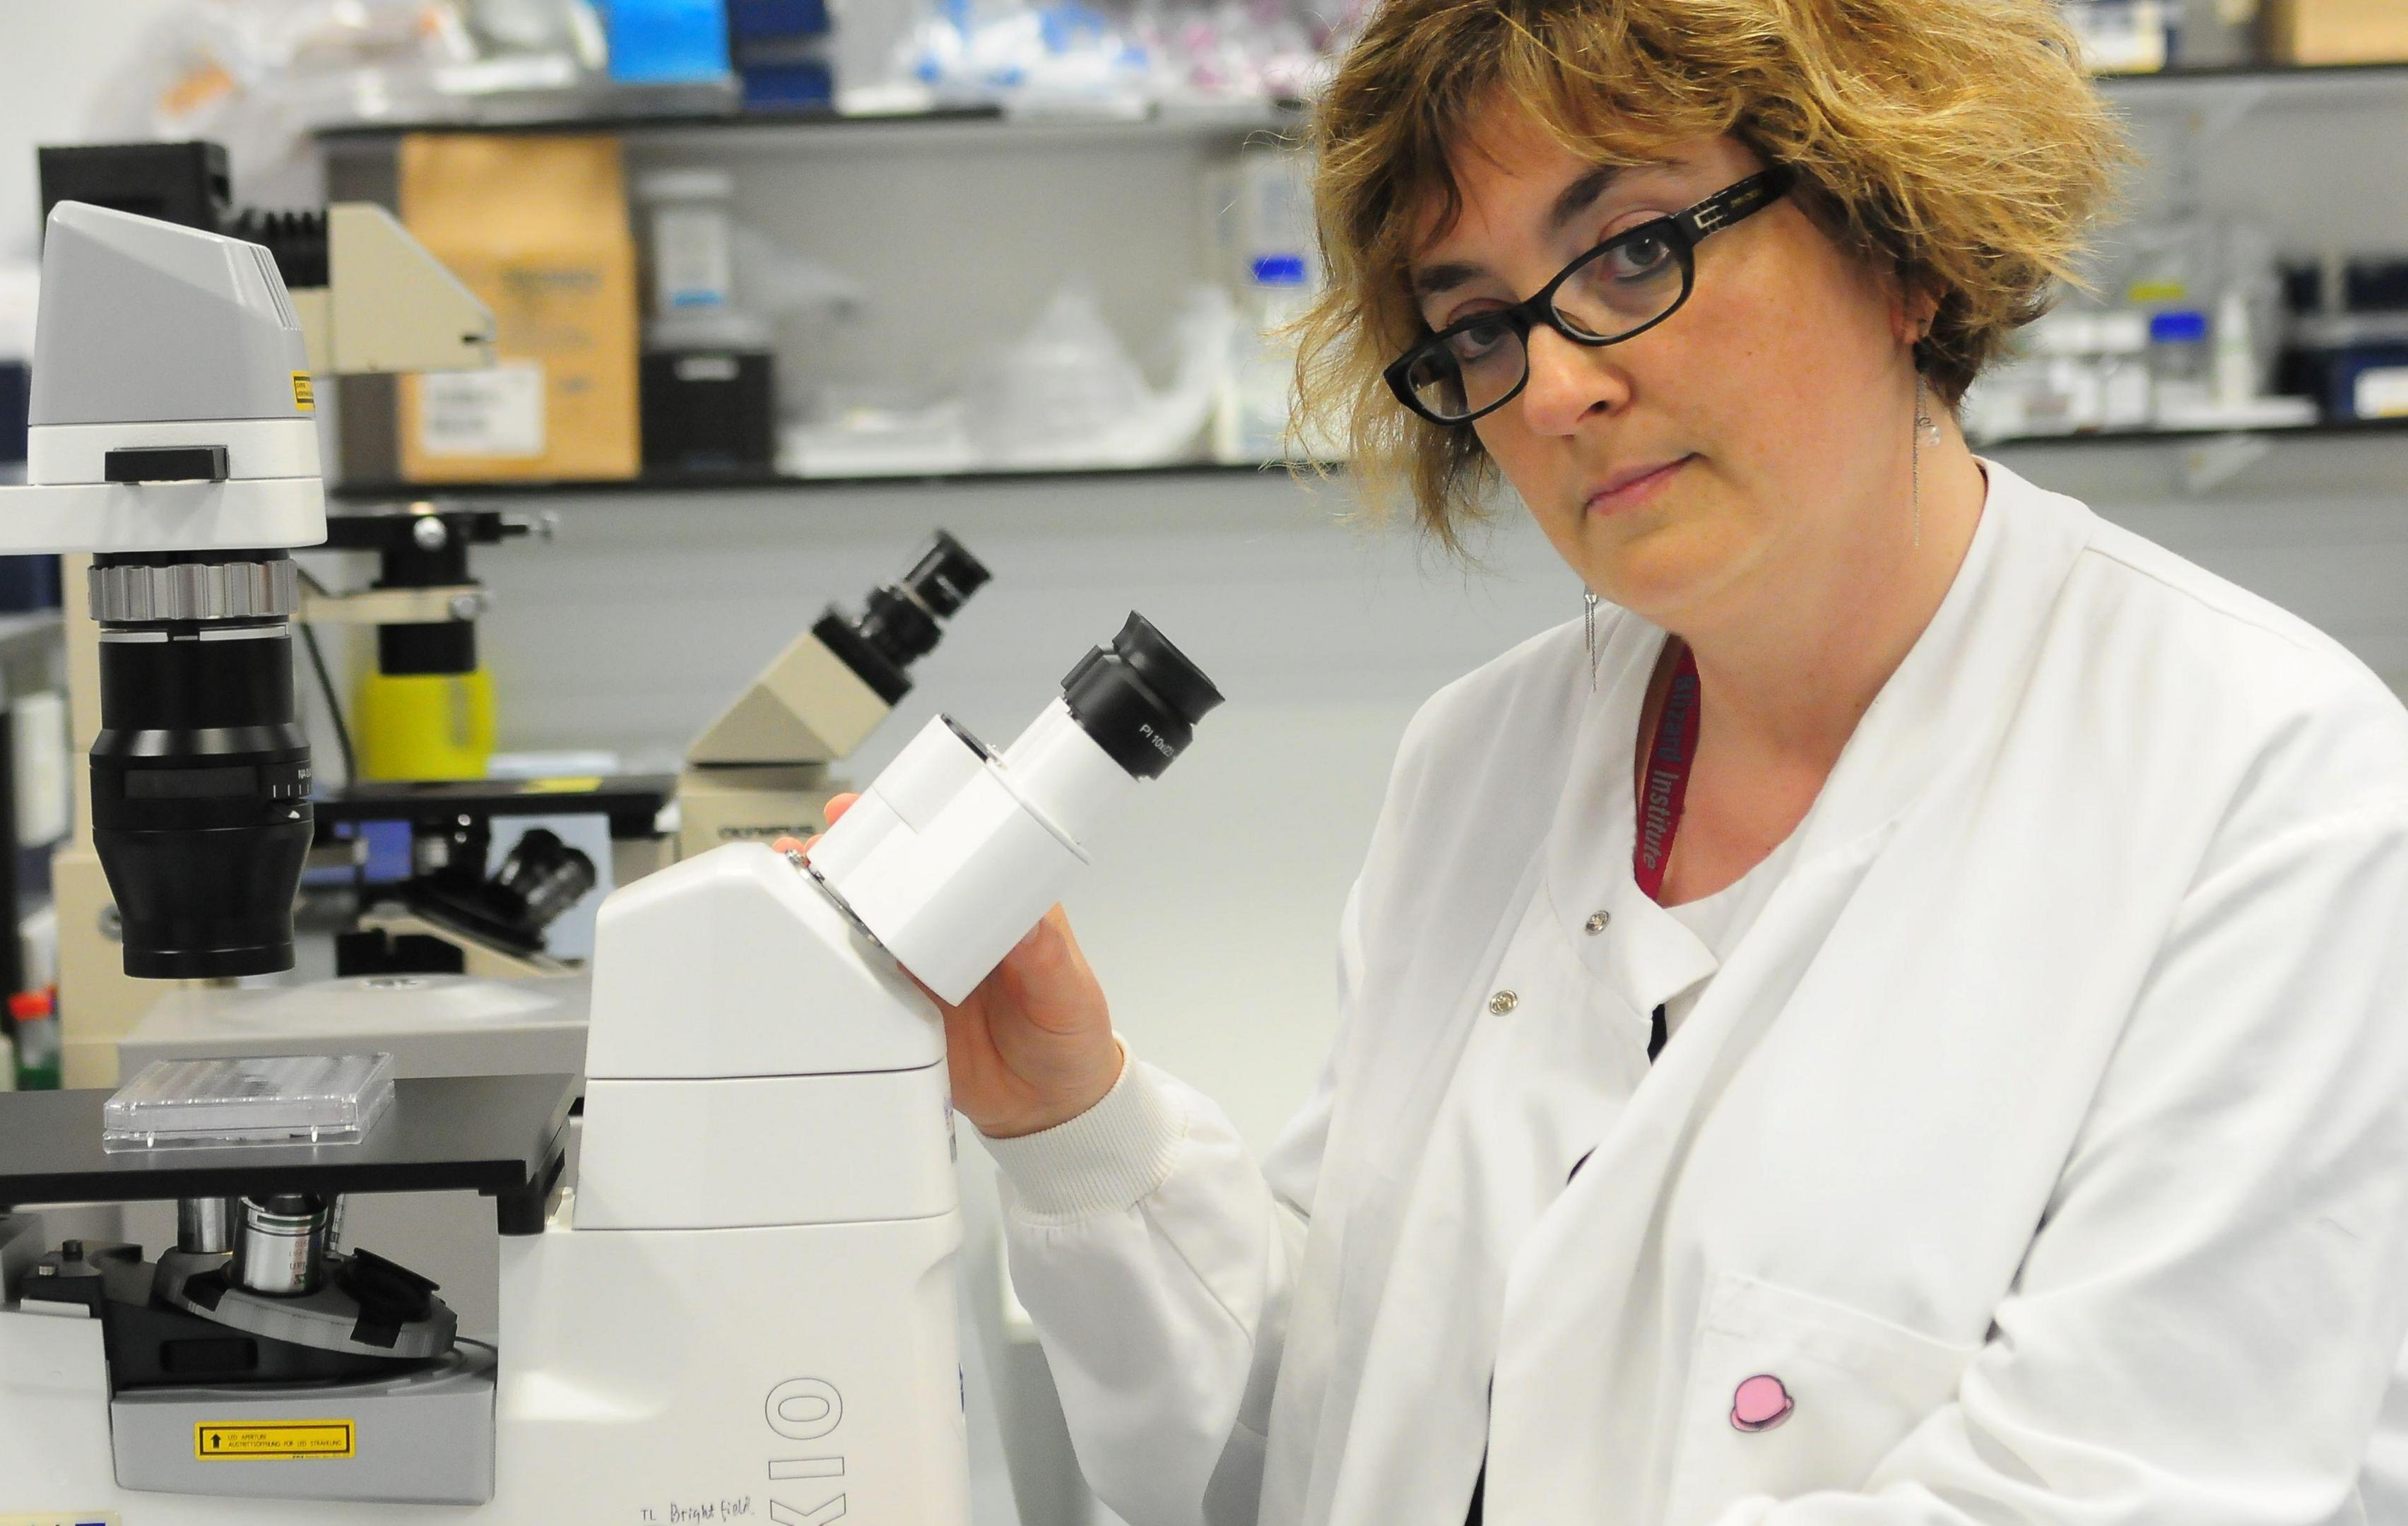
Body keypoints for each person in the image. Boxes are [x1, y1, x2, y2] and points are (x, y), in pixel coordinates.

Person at [804, 1, 2408, 1520]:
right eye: (1479, 325)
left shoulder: (2265, 792)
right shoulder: (1483, 761)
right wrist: (1072, 1116)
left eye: (1636, 251)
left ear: (1901, 238)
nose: (1558, 385)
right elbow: (1344, 1439)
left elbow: (2121, 1489)